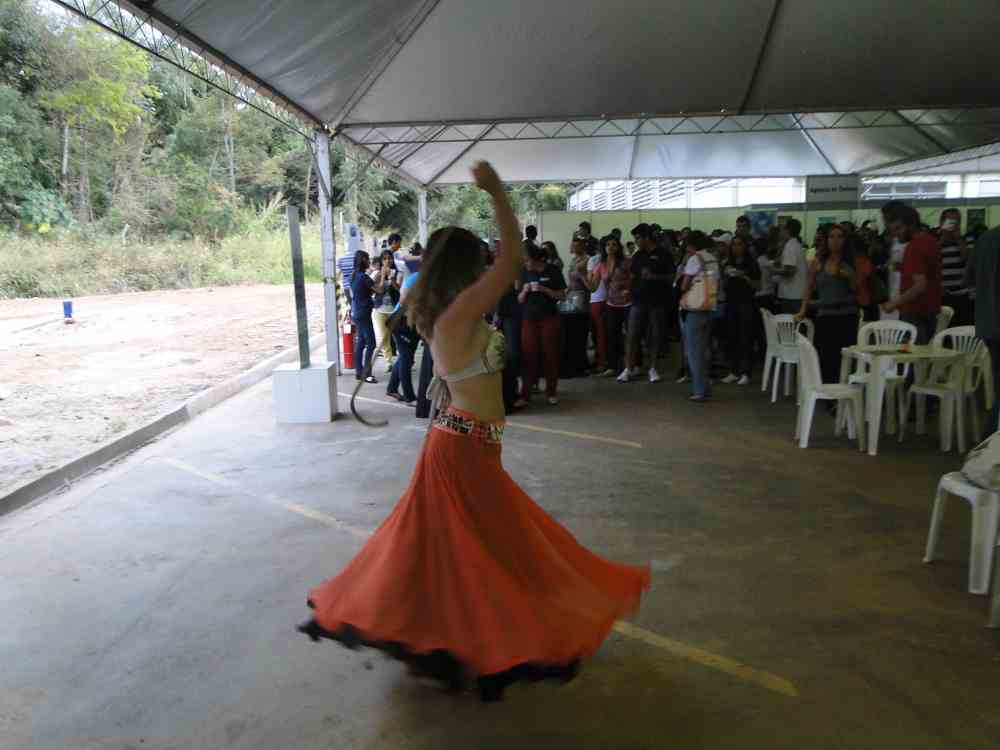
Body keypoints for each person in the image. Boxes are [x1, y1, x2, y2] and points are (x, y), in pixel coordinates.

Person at [298, 163, 649, 701]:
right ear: (464, 268)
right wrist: (497, 193)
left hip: (468, 445)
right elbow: (511, 260)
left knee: (462, 550)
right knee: (491, 548)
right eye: (478, 262)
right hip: (461, 447)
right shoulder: (458, 313)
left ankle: (447, 640)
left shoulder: (447, 312)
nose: (488, 267)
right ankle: (474, 642)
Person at [797, 224, 859, 385]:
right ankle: (828, 392)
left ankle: (844, 390)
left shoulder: (851, 262)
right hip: (825, 316)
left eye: (840, 236)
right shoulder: (818, 262)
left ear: (845, 240)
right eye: (832, 236)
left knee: (845, 358)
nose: (835, 240)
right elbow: (808, 287)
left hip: (847, 316)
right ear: (826, 240)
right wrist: (803, 310)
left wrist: (851, 277)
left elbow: (857, 290)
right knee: (826, 357)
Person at [619, 223, 673, 383]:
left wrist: (654, 277)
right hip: (638, 300)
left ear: (647, 238)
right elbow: (632, 276)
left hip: (657, 301)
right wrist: (627, 290)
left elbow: (671, 277)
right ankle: (628, 368)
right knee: (632, 334)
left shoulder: (664, 254)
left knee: (655, 335)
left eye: (638, 238)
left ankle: (653, 368)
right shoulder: (638, 255)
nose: (636, 241)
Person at [882, 206, 942, 344]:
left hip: (914, 313)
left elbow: (919, 285)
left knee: (908, 355)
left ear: (912, 224)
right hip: (930, 310)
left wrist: (893, 303)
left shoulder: (914, 246)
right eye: (893, 230)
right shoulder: (931, 241)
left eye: (899, 228)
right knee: (921, 353)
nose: (896, 234)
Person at [519, 244, 567, 406]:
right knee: (528, 355)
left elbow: (562, 296)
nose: (525, 263)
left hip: (549, 318)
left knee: (550, 355)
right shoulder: (524, 272)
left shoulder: (553, 270)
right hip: (529, 318)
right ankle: (525, 394)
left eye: (527, 260)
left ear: (536, 258)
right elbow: (519, 299)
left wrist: (544, 289)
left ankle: (551, 392)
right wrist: (524, 291)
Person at [965, 225, 1000, 435]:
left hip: (987, 323)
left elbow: (969, 278)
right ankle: (991, 436)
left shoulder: (986, 239)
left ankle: (991, 436)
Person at [679, 231, 719, 402]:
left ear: (691, 245)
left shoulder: (694, 259)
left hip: (695, 308)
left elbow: (684, 285)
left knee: (694, 352)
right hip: (709, 306)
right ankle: (705, 387)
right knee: (703, 350)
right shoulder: (713, 258)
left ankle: (700, 390)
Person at [720, 234, 760, 385]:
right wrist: (725, 274)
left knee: (746, 338)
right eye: (734, 244)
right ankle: (734, 371)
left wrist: (743, 276)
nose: (736, 247)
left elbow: (758, 285)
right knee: (732, 337)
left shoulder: (752, 263)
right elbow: (723, 284)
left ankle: (746, 372)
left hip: (746, 303)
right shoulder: (728, 262)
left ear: (745, 246)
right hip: (731, 303)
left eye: (739, 244)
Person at [593, 236, 631, 377]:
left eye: (614, 244)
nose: (610, 247)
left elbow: (633, 277)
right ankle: (613, 366)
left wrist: (627, 288)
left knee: (630, 334)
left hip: (628, 302)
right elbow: (593, 287)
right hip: (611, 303)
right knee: (612, 335)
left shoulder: (626, 261)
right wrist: (584, 275)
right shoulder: (601, 264)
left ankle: (633, 365)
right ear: (604, 248)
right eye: (608, 245)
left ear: (618, 247)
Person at [350, 250, 384, 383]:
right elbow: (379, 289)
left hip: (357, 311)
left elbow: (365, 291)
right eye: (367, 258)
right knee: (371, 343)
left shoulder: (354, 276)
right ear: (363, 260)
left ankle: (359, 371)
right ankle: (366, 373)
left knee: (361, 342)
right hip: (364, 313)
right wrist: (382, 276)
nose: (369, 261)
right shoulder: (364, 277)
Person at [560, 240, 591, 378]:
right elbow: (571, 281)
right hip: (572, 296)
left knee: (580, 331)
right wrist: (564, 293)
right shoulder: (573, 260)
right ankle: (572, 362)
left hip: (583, 296)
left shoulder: (587, 260)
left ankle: (581, 364)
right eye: (572, 245)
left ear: (582, 246)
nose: (573, 247)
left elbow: (586, 280)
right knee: (570, 331)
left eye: (576, 245)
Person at [938, 209, 971, 325]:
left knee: (961, 327)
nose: (953, 224)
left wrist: (958, 239)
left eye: (956, 221)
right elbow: (931, 259)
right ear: (941, 222)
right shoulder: (935, 240)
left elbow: (967, 259)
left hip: (962, 294)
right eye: (950, 220)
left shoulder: (965, 239)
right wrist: (942, 238)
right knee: (943, 329)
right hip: (942, 294)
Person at [372, 249, 400, 372]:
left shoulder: (397, 272)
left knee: (398, 336)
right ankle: (388, 361)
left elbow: (401, 290)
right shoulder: (377, 274)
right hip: (380, 309)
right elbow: (377, 290)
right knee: (384, 337)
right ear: (381, 261)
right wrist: (382, 276)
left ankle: (402, 359)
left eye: (389, 258)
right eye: (385, 259)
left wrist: (392, 279)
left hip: (395, 309)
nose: (387, 261)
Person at [775, 218, 807, 314]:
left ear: (787, 230)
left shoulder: (790, 246)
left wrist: (772, 270)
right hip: (797, 293)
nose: (780, 232)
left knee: (790, 322)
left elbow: (789, 271)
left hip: (791, 295)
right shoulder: (796, 245)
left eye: (782, 229)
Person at [586, 239, 608, 375]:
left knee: (599, 334)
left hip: (597, 299)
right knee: (607, 333)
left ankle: (601, 362)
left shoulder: (594, 260)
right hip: (611, 299)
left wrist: (582, 276)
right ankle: (609, 361)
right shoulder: (615, 261)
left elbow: (591, 283)